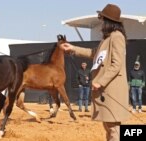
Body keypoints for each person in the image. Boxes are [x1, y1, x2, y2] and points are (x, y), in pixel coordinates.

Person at [60, 4, 131, 141]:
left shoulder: (117, 37)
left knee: (113, 128)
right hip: (106, 89)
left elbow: (117, 65)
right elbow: (94, 53)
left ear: (109, 21)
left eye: (103, 19)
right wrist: (72, 48)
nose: (102, 22)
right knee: (109, 126)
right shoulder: (107, 38)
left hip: (112, 89)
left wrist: (100, 81)